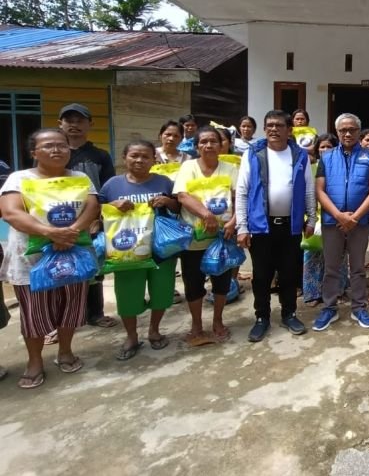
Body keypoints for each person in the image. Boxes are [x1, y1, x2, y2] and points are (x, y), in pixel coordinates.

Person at [0, 128, 100, 389]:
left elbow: (92, 205)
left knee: (71, 307)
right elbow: (10, 213)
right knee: (34, 314)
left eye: (62, 145)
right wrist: (49, 232)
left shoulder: (80, 177)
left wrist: (72, 231)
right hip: (33, 260)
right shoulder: (18, 179)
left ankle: (65, 351)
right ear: (34, 153)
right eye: (48, 146)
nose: (57, 150)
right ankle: (34, 361)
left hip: (73, 254)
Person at [236, 111, 316, 342]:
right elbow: (242, 191)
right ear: (264, 129)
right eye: (269, 125)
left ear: (288, 130)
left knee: (290, 273)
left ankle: (289, 313)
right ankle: (262, 318)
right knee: (261, 275)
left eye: (279, 125)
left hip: (290, 227)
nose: (273, 129)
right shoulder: (253, 154)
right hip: (261, 227)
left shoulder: (299, 155)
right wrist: (242, 226)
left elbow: (308, 189)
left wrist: (311, 219)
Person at [99, 140, 180, 360]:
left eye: (145, 156)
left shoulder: (165, 182)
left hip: (162, 249)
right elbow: (96, 212)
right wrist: (112, 205)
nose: (139, 160)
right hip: (127, 251)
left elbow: (179, 207)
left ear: (154, 159)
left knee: (162, 292)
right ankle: (131, 336)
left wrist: (167, 201)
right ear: (124, 158)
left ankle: (154, 330)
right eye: (134, 155)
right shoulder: (112, 185)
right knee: (127, 296)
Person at [312, 114, 369, 331]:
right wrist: (339, 215)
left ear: (359, 132)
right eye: (343, 130)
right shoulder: (327, 157)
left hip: (358, 223)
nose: (348, 133)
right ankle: (329, 308)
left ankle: (359, 307)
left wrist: (356, 217)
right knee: (331, 267)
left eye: (352, 129)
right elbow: (320, 191)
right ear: (337, 132)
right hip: (333, 221)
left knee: (358, 267)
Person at [173, 126, 239, 345]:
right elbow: (182, 196)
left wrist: (234, 221)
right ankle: (196, 325)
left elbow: (240, 197)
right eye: (203, 142)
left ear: (221, 146)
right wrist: (206, 214)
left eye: (213, 141)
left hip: (222, 237)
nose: (209, 145)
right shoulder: (188, 167)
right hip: (193, 238)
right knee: (193, 283)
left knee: (221, 281)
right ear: (196, 146)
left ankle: (218, 321)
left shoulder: (230, 169)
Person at [59, 103, 117, 331]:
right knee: (62, 268)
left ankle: (96, 313)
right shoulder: (54, 154)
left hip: (92, 220)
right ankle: (68, 318)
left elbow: (108, 188)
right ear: (60, 124)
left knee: (94, 267)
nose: (74, 125)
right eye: (69, 120)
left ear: (90, 124)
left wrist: (98, 219)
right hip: (58, 221)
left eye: (79, 120)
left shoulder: (100, 155)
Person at [303, 133, 339, 307]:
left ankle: (337, 290)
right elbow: (307, 194)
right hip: (315, 216)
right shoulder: (310, 168)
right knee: (313, 253)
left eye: (329, 146)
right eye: (322, 147)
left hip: (338, 215)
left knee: (337, 255)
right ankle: (313, 292)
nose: (325, 150)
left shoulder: (340, 166)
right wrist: (311, 217)